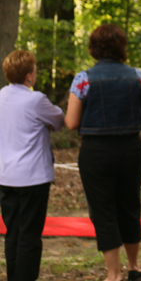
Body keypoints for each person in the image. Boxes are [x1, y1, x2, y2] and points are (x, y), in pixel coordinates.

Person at [65, 24, 141, 281]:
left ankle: (113, 274)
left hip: (96, 152)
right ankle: (134, 267)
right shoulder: (137, 76)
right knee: (130, 205)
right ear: (122, 47)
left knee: (103, 210)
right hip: (130, 149)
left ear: (93, 48)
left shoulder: (83, 79)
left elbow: (71, 122)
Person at [0, 50, 64, 281]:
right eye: (35, 71)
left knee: (12, 233)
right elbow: (59, 119)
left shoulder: (1, 96)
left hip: (6, 176)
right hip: (33, 178)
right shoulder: (35, 99)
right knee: (29, 234)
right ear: (29, 76)